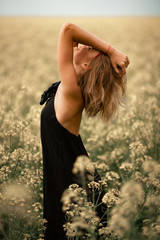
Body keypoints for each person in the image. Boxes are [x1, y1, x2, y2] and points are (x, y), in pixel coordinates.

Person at [40, 22, 130, 240]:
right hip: (70, 171)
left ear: (87, 65)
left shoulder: (72, 90)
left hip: (68, 178)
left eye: (89, 49)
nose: (82, 46)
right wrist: (105, 51)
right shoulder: (72, 87)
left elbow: (68, 29)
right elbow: (73, 39)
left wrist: (111, 51)